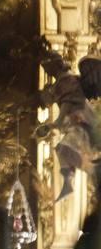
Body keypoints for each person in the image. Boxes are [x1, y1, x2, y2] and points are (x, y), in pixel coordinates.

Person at [37, 50, 101, 201]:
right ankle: (68, 183)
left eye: (47, 67)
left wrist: (55, 123)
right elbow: (49, 100)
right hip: (74, 122)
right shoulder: (60, 82)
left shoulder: (68, 79)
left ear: (56, 65)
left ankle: (92, 170)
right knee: (62, 150)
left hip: (81, 120)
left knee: (65, 148)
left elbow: (67, 103)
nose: (46, 71)